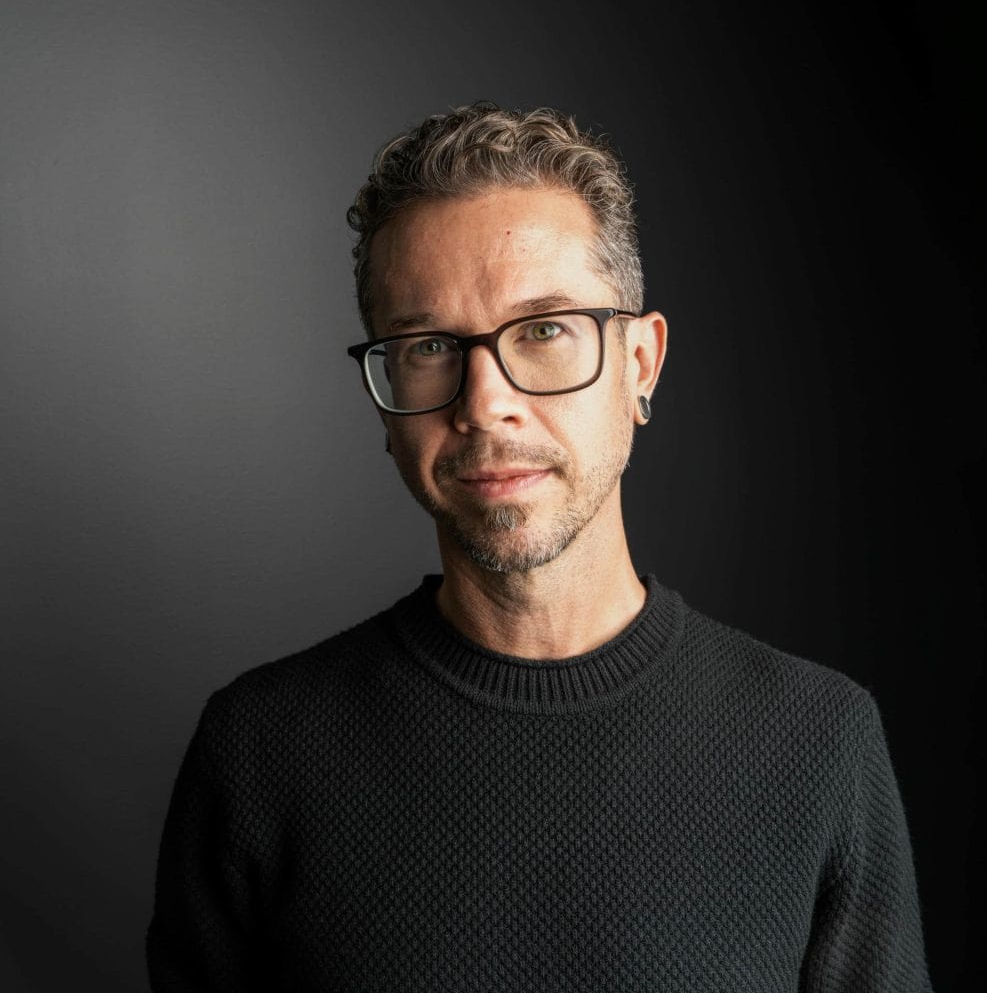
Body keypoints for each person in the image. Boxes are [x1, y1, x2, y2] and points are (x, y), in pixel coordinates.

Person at [147, 101, 932, 991]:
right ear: (383, 399)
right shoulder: (260, 752)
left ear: (639, 364)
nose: (485, 404)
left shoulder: (818, 742)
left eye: (545, 330)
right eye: (429, 345)